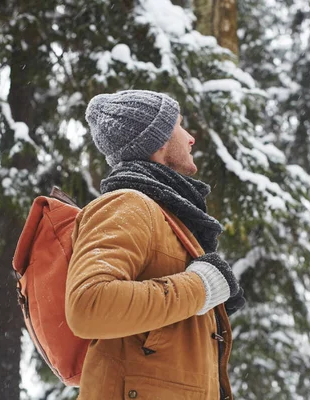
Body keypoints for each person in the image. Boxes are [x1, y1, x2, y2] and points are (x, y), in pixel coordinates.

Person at [65, 89, 246, 400]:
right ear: (158, 140)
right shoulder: (127, 204)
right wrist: (201, 286)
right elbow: (87, 305)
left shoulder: (167, 216)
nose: (190, 138)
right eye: (178, 125)